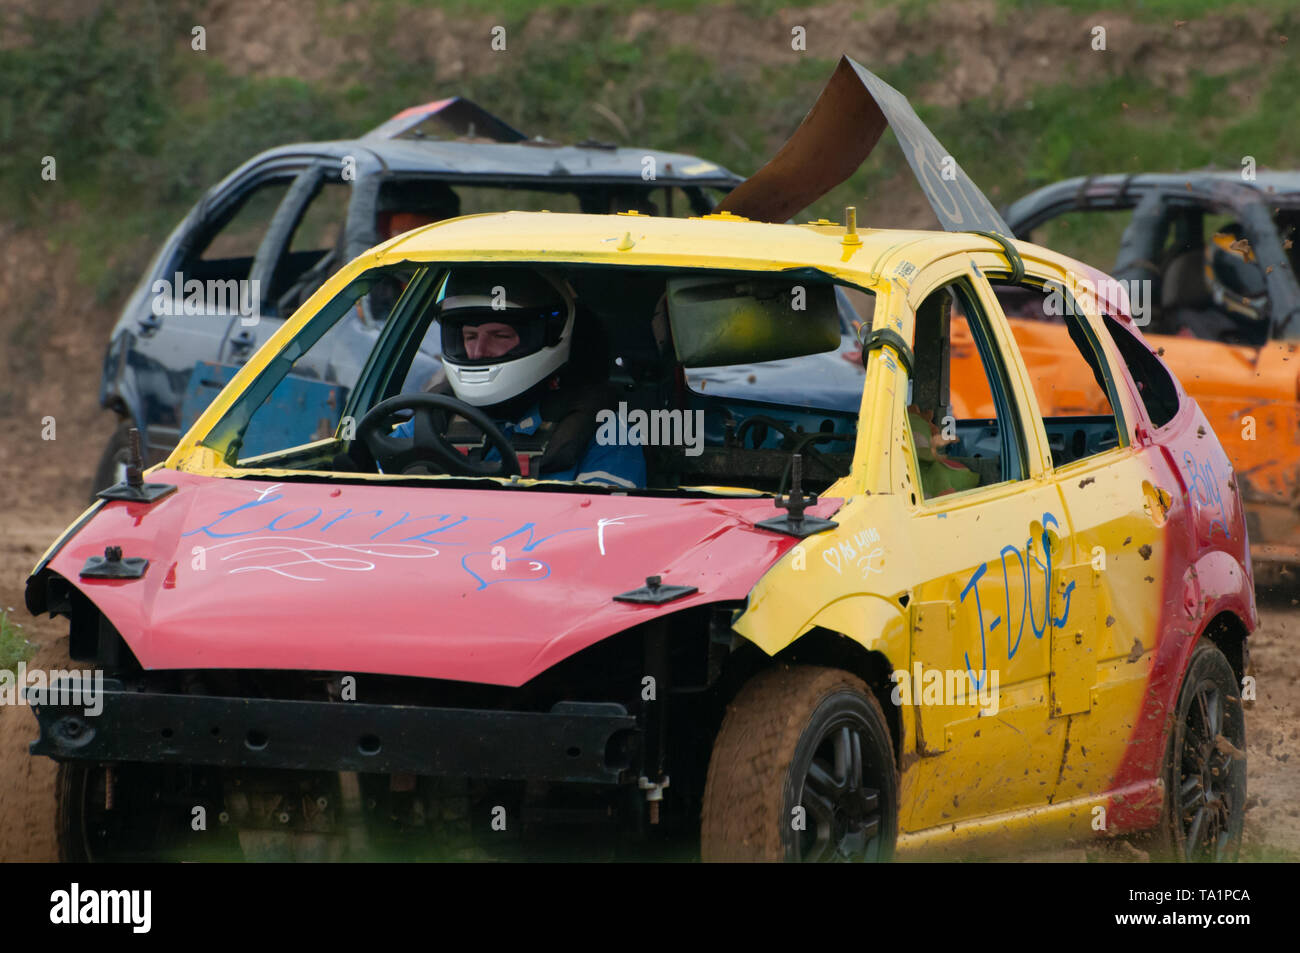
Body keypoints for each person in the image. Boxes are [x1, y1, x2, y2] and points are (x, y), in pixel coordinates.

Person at [390, 268, 646, 488]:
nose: (478, 352)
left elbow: (604, 534)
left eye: (499, 336)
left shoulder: (603, 431)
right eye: (470, 337)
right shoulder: (433, 417)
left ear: (546, 336)